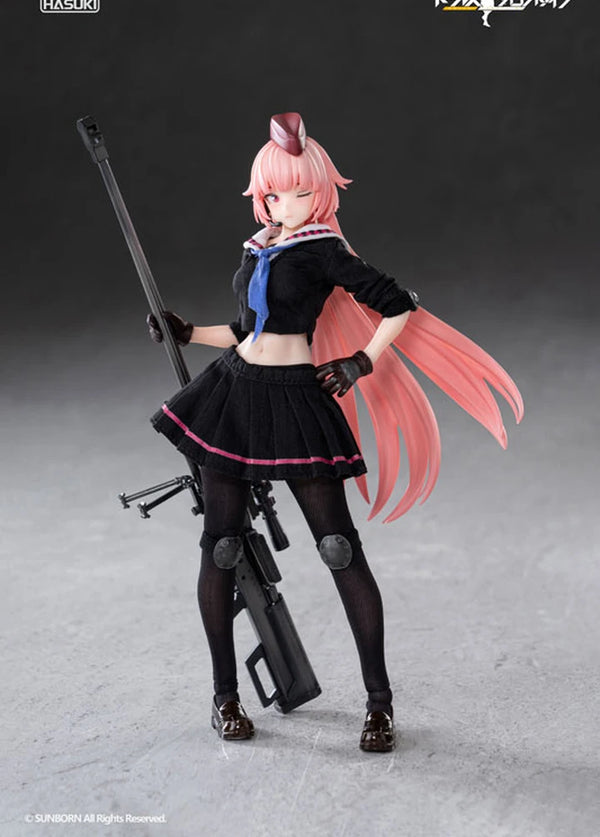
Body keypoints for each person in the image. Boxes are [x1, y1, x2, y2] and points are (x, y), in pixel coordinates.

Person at [148, 112, 523, 753]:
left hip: (296, 400)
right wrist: (187, 333)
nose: (282, 203)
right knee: (222, 548)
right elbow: (246, 331)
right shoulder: (259, 246)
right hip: (233, 393)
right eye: (272, 193)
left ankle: (379, 706)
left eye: (296, 191)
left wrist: (360, 361)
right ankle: (225, 697)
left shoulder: (323, 249)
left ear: (319, 192)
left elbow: (397, 303)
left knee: (339, 548)